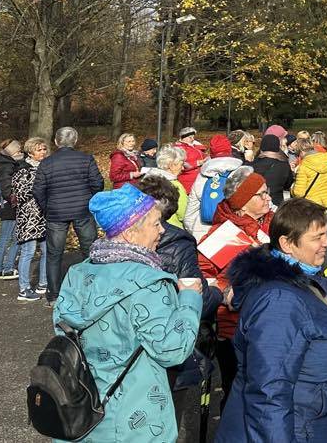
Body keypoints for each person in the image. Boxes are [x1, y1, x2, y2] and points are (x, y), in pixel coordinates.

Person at [54, 184, 202, 443]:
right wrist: (190, 297)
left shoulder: (77, 273)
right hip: (134, 419)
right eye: (155, 224)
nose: (162, 230)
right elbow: (172, 350)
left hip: (80, 410)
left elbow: (63, 331)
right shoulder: (149, 284)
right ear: (130, 232)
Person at [215, 198, 327, 443]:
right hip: (293, 429)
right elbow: (269, 390)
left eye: (326, 234)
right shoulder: (279, 300)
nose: (326, 243)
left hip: (309, 421)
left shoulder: (305, 280)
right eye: (317, 237)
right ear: (287, 244)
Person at [135, 174, 224, 431]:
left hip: (128, 347)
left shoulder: (112, 240)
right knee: (164, 419)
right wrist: (218, 293)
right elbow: (197, 297)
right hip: (167, 341)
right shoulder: (178, 241)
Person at [197, 168, 274, 405]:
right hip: (235, 328)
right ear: (242, 202)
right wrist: (226, 293)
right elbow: (201, 277)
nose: (268, 198)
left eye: (267, 192)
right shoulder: (224, 234)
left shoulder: (274, 224)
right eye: (261, 194)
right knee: (237, 394)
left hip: (274, 322)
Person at [33, 126, 104, 303]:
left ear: (56, 142)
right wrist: (89, 200)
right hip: (82, 209)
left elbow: (38, 190)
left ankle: (53, 294)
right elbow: (98, 184)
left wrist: (47, 207)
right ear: (75, 140)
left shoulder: (46, 163)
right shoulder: (86, 159)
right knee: (89, 250)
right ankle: (91, 290)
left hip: (56, 211)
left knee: (54, 254)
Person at [184, 134, 243, 240]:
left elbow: (190, 214)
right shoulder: (241, 174)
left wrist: (195, 232)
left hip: (204, 234)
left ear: (211, 153)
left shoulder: (202, 176)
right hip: (234, 233)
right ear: (229, 150)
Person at [13, 137, 50, 301]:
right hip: (29, 218)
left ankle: (43, 283)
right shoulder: (22, 170)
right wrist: (39, 184)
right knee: (28, 252)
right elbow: (20, 194)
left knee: (47, 250)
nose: (42, 152)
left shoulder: (47, 167)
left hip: (45, 215)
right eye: (38, 149)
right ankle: (24, 289)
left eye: (44, 149)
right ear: (30, 152)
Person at [0, 139, 23, 280]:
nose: (21, 152)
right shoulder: (8, 166)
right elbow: (7, 189)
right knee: (15, 239)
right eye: (19, 150)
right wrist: (16, 201)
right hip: (10, 206)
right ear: (13, 151)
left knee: (4, 239)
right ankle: (7, 269)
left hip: (4, 205)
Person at [292, 135, 327, 217]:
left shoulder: (303, 167)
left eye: (298, 154)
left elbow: (299, 193)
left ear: (301, 152)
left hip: (312, 208)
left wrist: (292, 188)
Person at [146, 144, 189, 228]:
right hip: (173, 228)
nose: (183, 168)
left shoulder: (148, 181)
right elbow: (184, 213)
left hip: (151, 227)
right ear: (171, 165)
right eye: (181, 164)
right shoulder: (175, 186)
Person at [252, 132, 294, 208]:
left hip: (259, 201)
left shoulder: (254, 164)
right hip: (277, 202)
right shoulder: (284, 164)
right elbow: (288, 184)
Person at [176, 127, 207, 193]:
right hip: (187, 182)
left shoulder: (192, 146)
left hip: (196, 180)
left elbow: (203, 151)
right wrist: (197, 163)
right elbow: (181, 165)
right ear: (183, 137)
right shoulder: (179, 149)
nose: (193, 139)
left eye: (193, 137)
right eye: (190, 137)